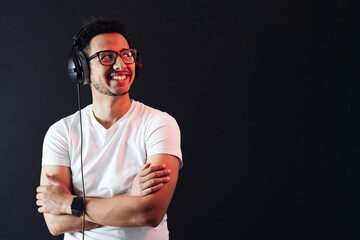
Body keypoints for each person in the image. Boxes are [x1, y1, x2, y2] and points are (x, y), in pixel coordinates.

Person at [36, 17, 182, 240]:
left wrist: (69, 203)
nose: (121, 65)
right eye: (106, 57)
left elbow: (150, 212)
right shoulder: (61, 133)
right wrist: (131, 198)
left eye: (126, 55)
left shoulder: (159, 124)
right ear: (81, 69)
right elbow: (56, 223)